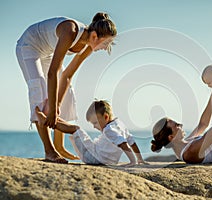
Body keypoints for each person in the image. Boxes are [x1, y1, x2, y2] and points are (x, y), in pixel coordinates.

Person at [16, 13, 117, 163]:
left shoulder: (88, 46)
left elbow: (67, 75)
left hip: (47, 52)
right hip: (29, 46)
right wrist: (50, 111)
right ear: (95, 36)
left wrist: (55, 105)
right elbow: (53, 73)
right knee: (39, 88)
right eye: (106, 43)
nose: (105, 48)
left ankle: (59, 145)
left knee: (67, 93)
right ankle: (49, 151)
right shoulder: (70, 31)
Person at [35, 100, 148, 167]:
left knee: (76, 129)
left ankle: (46, 121)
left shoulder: (109, 130)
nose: (94, 126)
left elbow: (124, 144)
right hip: (104, 159)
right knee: (76, 129)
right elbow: (132, 142)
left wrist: (132, 161)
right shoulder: (120, 125)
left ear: (106, 117)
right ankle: (54, 118)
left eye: (95, 122)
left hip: (93, 156)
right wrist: (140, 159)